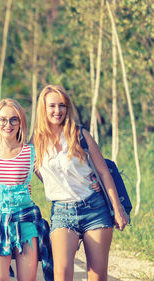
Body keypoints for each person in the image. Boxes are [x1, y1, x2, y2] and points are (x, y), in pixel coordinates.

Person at [32, 85, 128, 281]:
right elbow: (38, 173)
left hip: (95, 209)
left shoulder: (79, 134)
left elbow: (103, 171)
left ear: (68, 108)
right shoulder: (36, 142)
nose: (57, 111)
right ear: (43, 108)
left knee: (96, 276)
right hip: (62, 212)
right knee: (62, 272)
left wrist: (118, 210)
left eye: (62, 106)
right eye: (52, 106)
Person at [0, 98, 53, 281]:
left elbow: (53, 181)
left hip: (26, 224)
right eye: (3, 119)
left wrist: (91, 182)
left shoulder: (30, 152)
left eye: (14, 119)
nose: (8, 124)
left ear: (21, 122)